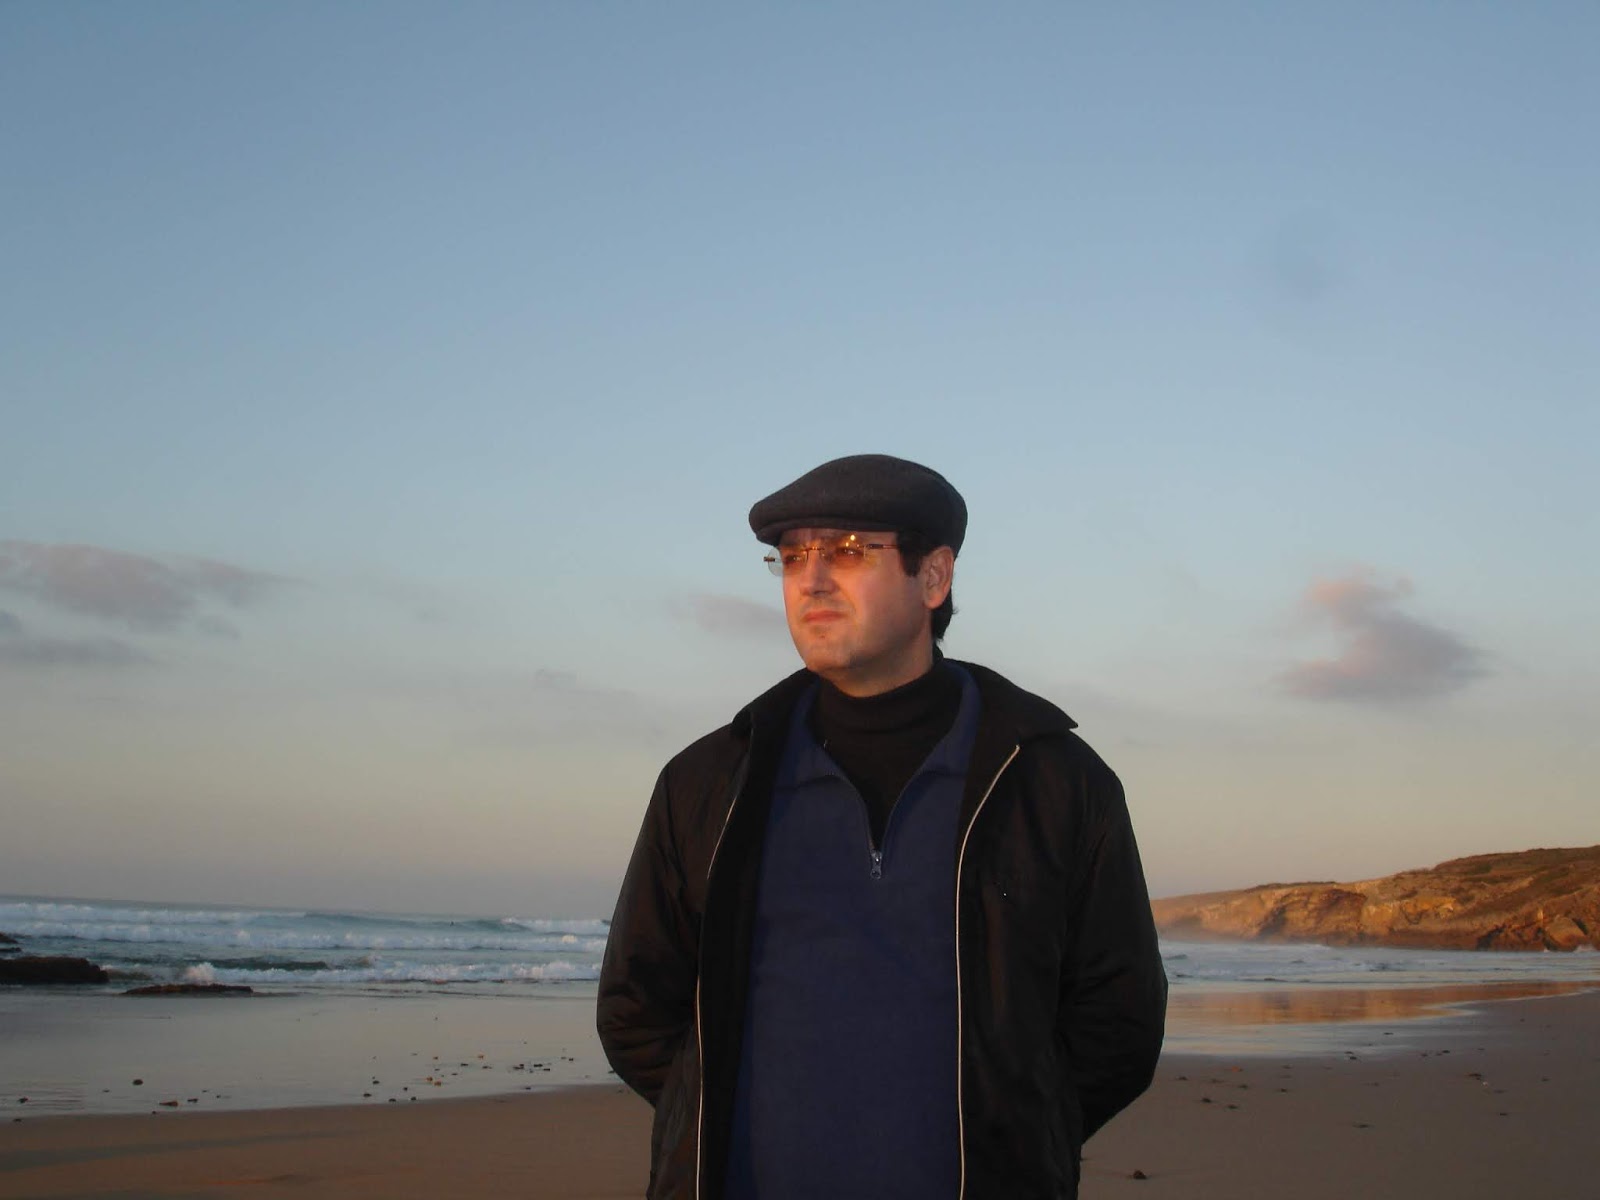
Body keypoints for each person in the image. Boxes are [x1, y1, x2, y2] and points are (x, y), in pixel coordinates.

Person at [597, 454, 1166, 1200]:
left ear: (933, 577)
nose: (811, 580)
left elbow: (1119, 1021)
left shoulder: (1051, 782)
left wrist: (1021, 1137)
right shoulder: (709, 784)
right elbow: (636, 1008)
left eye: (847, 551)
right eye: (792, 556)